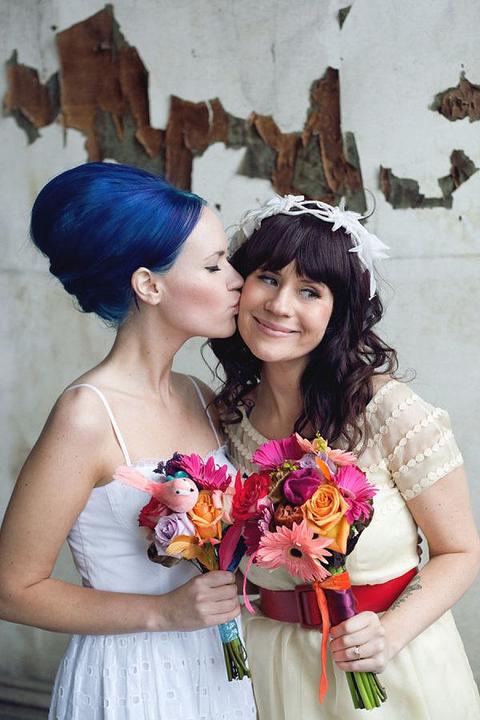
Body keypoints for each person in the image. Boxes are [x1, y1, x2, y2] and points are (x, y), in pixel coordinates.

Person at [0, 163, 256, 720]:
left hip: (218, 669)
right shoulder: (85, 416)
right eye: (214, 265)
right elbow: (12, 589)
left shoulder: (200, 396)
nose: (237, 280)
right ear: (149, 285)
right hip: (129, 676)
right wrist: (162, 613)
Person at [210, 195, 480, 719]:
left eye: (309, 290)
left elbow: (460, 551)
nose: (280, 305)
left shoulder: (388, 411)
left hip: (391, 667)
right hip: (275, 672)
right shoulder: (227, 421)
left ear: (339, 312)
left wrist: (389, 634)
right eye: (268, 278)